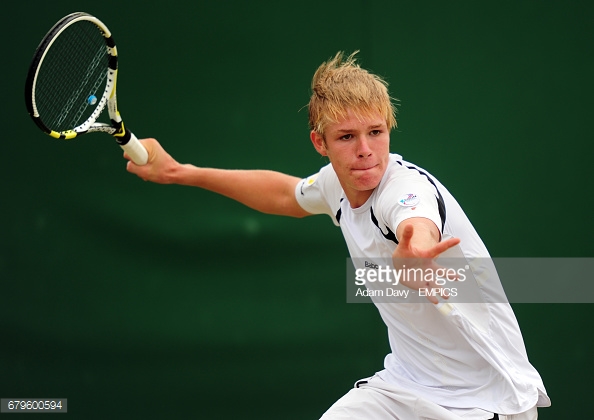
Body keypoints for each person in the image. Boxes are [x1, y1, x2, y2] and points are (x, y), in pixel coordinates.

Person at [125, 52, 550, 419]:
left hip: (483, 401)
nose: (364, 149)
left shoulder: (404, 189)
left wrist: (415, 252)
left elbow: (415, 223)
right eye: (347, 137)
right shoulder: (336, 184)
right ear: (320, 142)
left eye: (375, 132)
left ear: (388, 131)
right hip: (405, 386)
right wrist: (181, 172)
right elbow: (285, 195)